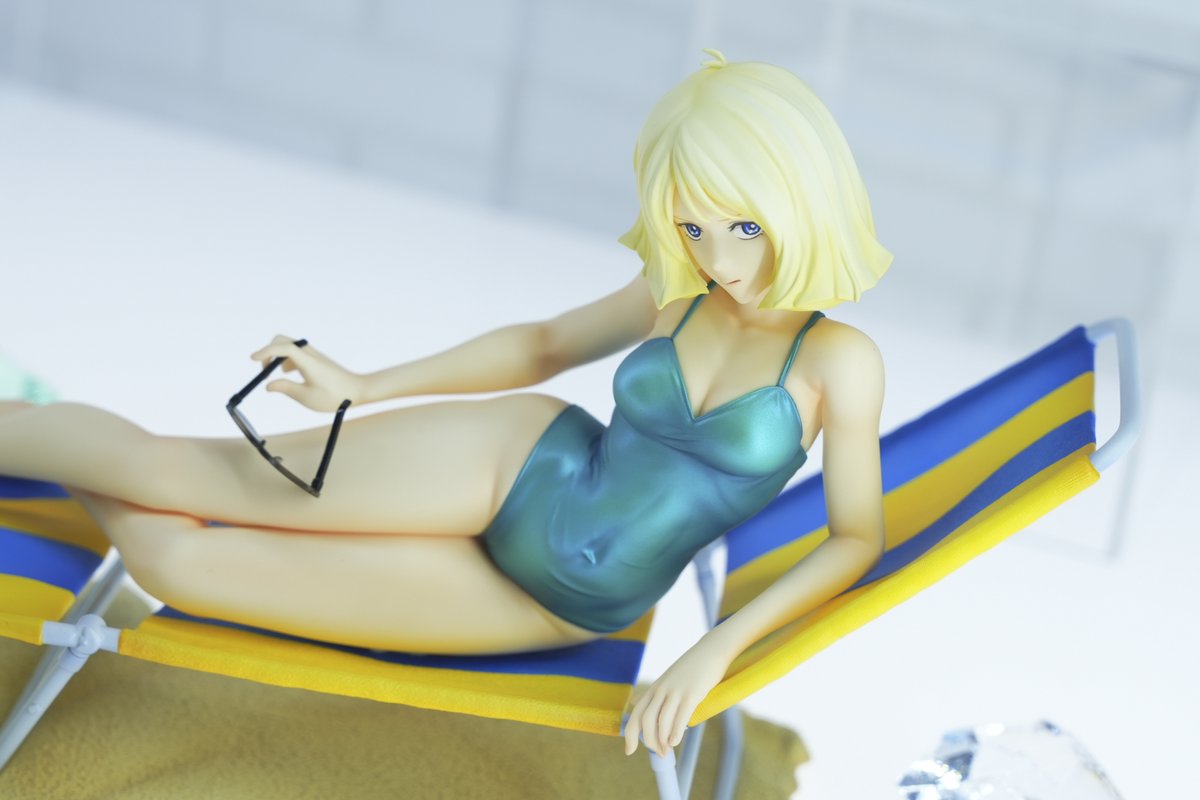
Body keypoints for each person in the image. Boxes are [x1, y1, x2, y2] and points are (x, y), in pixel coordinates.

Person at [0, 50, 891, 757]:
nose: (720, 258)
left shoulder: (840, 364)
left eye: (744, 227)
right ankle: (27, 431)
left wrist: (712, 650)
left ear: (802, 202)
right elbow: (544, 345)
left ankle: (40, 435)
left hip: (556, 603)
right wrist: (363, 386)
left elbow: (857, 538)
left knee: (179, 565)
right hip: (517, 461)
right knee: (178, 472)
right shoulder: (678, 287)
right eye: (692, 227)